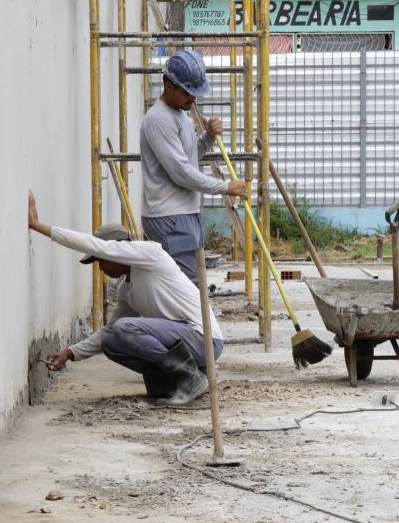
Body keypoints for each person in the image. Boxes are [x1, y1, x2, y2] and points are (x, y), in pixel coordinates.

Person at [28, 190, 223, 405]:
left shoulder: (151, 255)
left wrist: (39, 227)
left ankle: (189, 376)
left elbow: (96, 245)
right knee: (112, 342)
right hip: (187, 345)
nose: (101, 267)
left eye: (102, 260)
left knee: (125, 327)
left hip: (204, 340)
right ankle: (175, 380)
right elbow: (109, 332)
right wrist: (70, 353)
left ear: (118, 251)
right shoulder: (127, 290)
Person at [140, 49, 247, 284]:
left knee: (190, 287)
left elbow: (189, 158)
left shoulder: (178, 113)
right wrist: (225, 186)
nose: (194, 98)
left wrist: (207, 137)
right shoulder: (159, 119)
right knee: (187, 290)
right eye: (188, 92)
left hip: (183, 213)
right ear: (169, 86)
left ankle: (192, 320)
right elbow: (181, 174)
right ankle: (189, 322)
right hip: (170, 216)